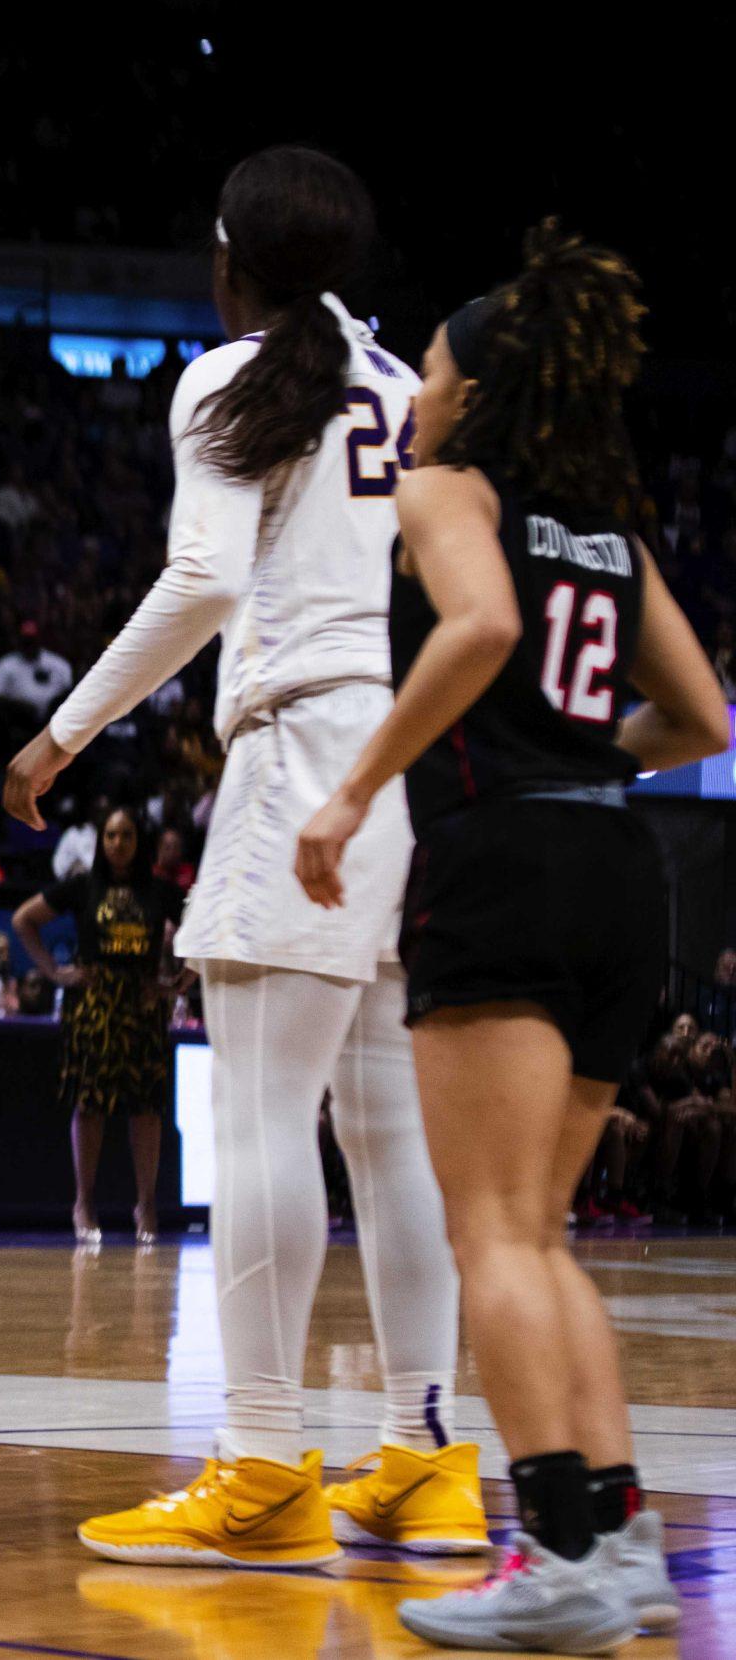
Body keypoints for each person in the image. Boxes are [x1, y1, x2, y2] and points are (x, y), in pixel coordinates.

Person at [5, 147, 480, 1566]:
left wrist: (65, 734)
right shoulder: (405, 385)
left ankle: (266, 1462)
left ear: (233, 260)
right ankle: (426, 1454)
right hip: (397, 763)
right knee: (390, 1135)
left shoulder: (225, 381)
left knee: (263, 1121)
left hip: (295, 761)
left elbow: (204, 579)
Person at [296, 226, 716, 1651]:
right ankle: (626, 1535)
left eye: (426, 365)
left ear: (475, 385)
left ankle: (558, 1551)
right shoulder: (608, 524)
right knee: (540, 1235)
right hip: (621, 862)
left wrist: (357, 788)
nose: (412, 386)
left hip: (506, 862)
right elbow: (704, 717)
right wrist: (579, 743)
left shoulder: (443, 486)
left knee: (491, 1234)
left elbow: (474, 625)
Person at [13, 808, 182, 1245]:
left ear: (138, 842)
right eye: (109, 835)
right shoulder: (83, 887)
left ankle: (145, 1204)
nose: (117, 843)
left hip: (143, 1005)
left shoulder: (161, 892)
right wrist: (54, 971)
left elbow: (206, 930)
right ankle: (83, 1202)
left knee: (146, 1107)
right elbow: (23, 920)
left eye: (125, 835)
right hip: (95, 1003)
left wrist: (179, 983)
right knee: (90, 1104)